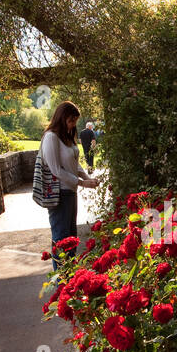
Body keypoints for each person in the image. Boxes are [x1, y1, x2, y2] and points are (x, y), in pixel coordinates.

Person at [40, 101, 98, 271]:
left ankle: (71, 279)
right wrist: (81, 182)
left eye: (75, 121)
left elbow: (74, 163)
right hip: (59, 194)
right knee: (61, 239)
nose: (73, 125)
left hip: (70, 193)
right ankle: (62, 284)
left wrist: (87, 177)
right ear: (62, 118)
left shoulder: (66, 137)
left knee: (71, 237)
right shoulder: (51, 137)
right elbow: (56, 170)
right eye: (71, 120)